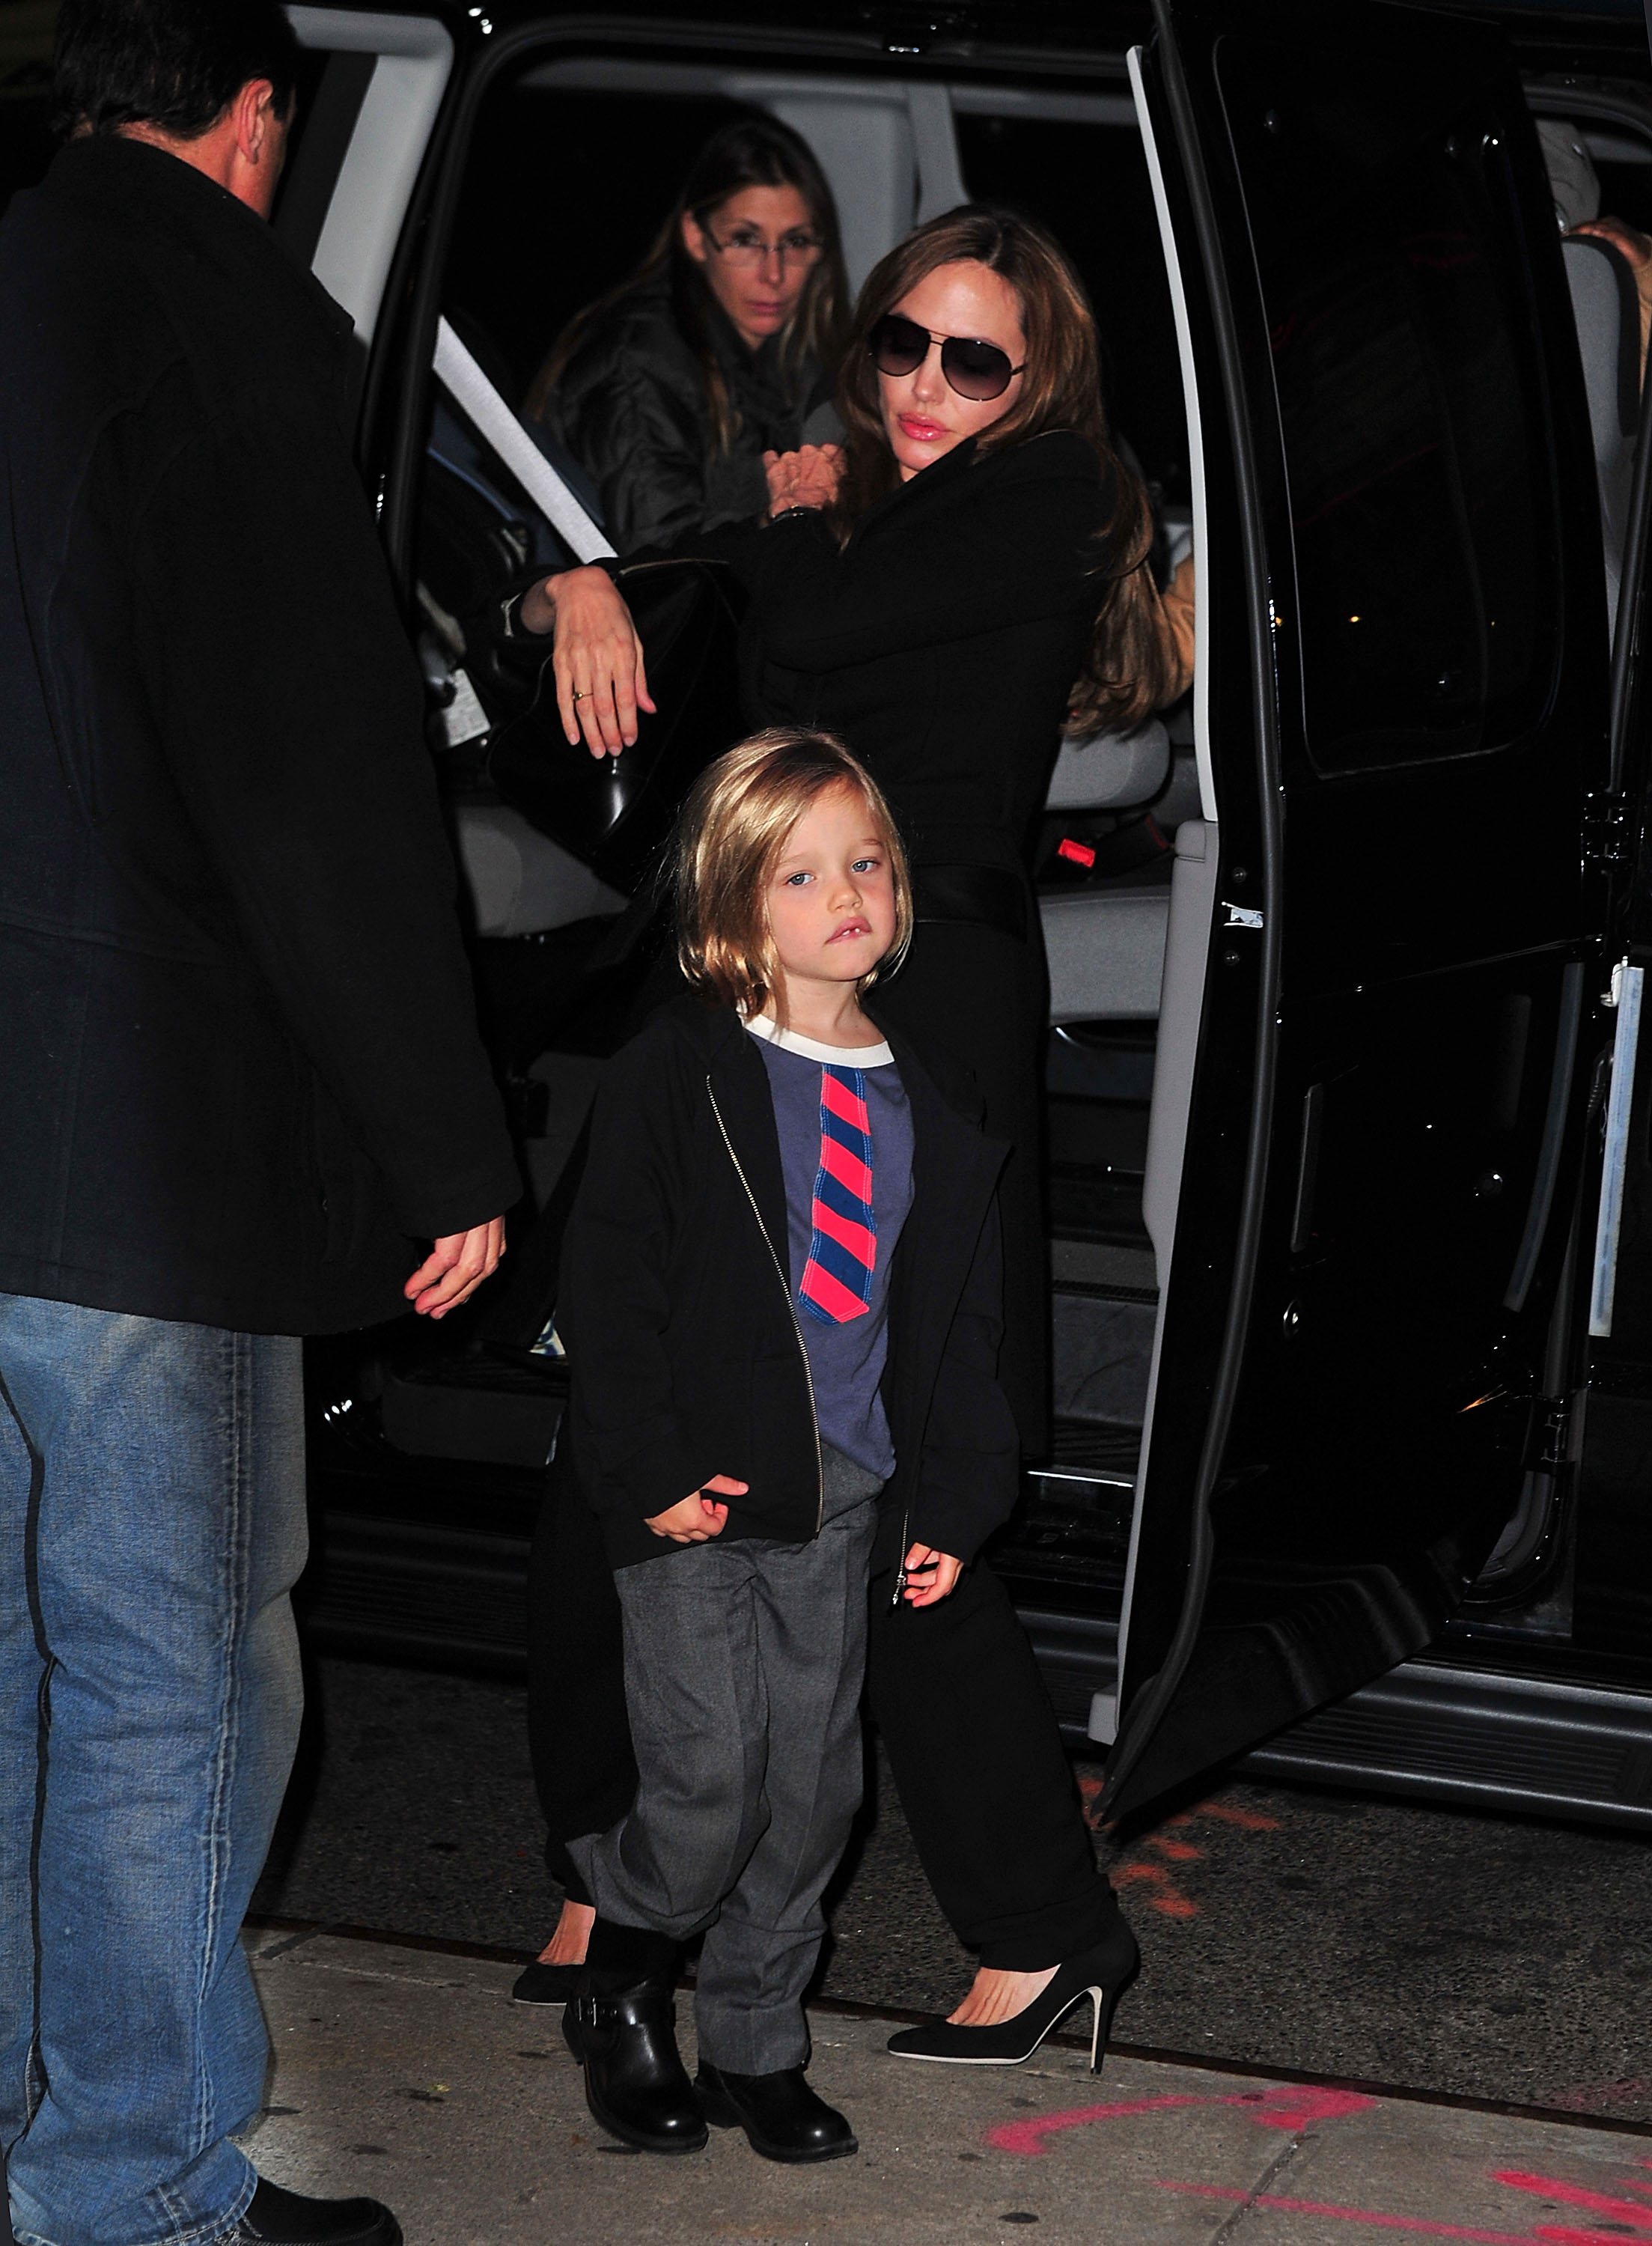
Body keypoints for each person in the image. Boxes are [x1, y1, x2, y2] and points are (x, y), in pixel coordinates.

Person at [514, 207, 1166, 2066]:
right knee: (629, 1417)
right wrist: (583, 581)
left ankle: (1039, 1925)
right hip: (767, 1003)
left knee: (871, 1480)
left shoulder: (1051, 495)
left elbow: (796, 621)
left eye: (976, 358)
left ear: (1037, 376)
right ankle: (606, 1860)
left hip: (911, 1016)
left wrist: (798, 505)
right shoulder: (888, 495)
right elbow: (702, 591)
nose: (929, 388)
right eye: (903, 347)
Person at [0, 4, 520, 2244]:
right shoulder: (218, 330)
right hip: (138, 1158)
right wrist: (446, 1146)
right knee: (166, 1680)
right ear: (254, 122)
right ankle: (128, 2189)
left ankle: (57, 2145)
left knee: (28, 1681)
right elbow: (317, 794)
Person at [555, 728, 1023, 2159]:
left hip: (845, 1502)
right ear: (728, 904)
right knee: (708, 1787)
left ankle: (755, 2044)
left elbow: (953, 1327)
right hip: (696, 1497)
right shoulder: (682, 1073)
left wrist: (954, 1498)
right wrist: (649, 1473)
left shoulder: (925, 1101)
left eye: (865, 864)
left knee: (812, 1796)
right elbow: (610, 1289)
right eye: (802, 872)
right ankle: (621, 1982)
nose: (846, 895)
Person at [523, 114, 849, 554]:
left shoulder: (797, 353)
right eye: (744, 241)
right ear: (696, 237)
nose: (774, 274)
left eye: (795, 243)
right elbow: (659, 559)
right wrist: (779, 519)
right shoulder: (638, 363)